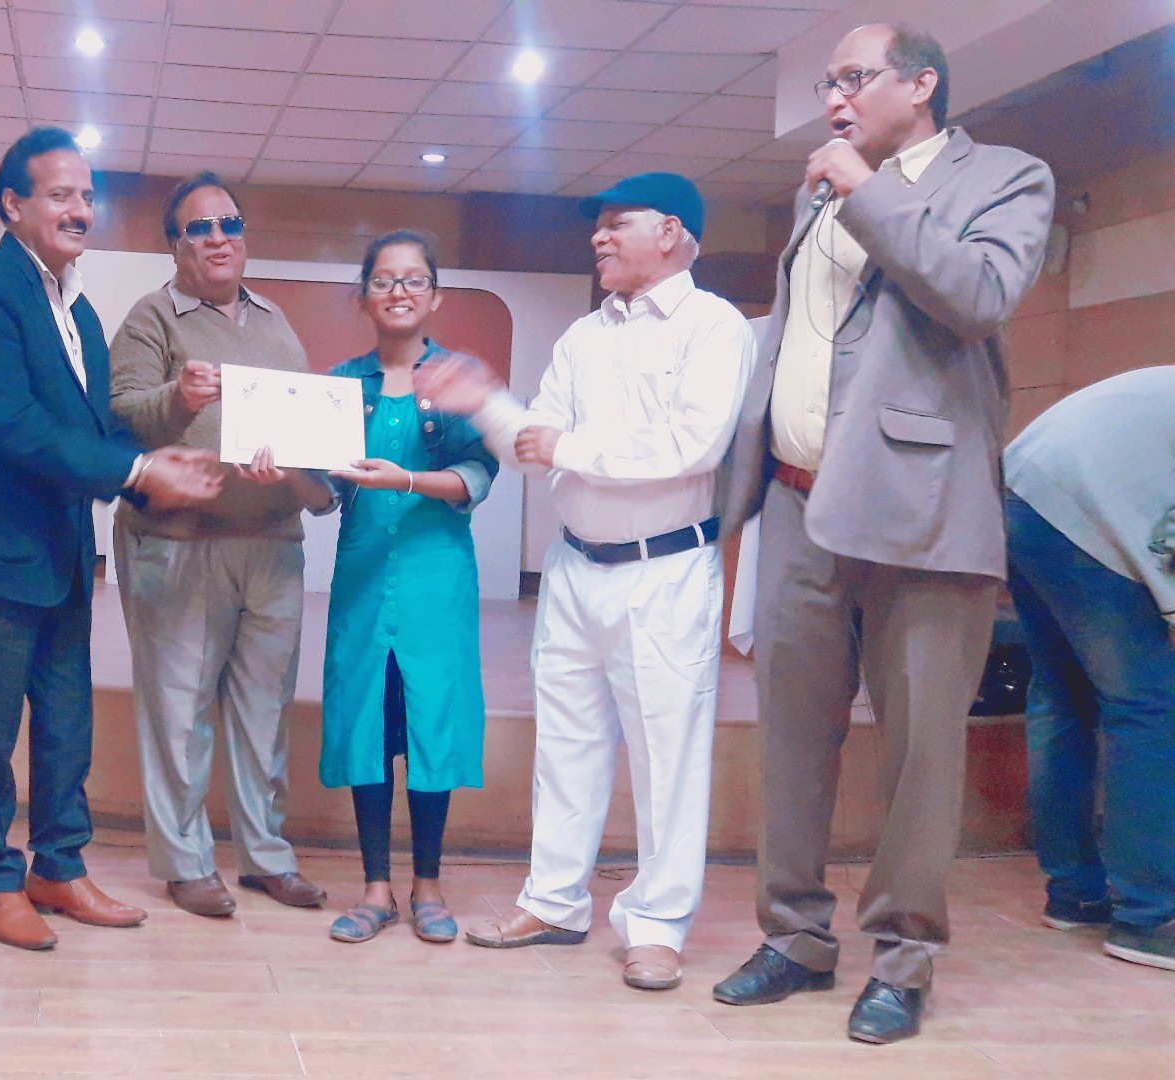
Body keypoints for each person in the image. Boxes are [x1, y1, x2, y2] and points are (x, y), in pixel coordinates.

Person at [707, 23, 1055, 1044]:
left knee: (919, 754)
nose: (833, 99)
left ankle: (903, 959)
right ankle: (794, 938)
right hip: (797, 501)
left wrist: (868, 190)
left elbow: (977, 296)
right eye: (827, 81)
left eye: (854, 78)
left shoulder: (1005, 177)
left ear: (922, 82)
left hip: (923, 509)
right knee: (792, 741)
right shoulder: (818, 192)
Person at [419, 174, 753, 990]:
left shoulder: (714, 327)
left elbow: (694, 444)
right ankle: (554, 902)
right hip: (574, 568)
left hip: (665, 568)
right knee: (565, 748)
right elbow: (535, 441)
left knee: (668, 758)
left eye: (615, 223)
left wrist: (568, 446)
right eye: (595, 226)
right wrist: (489, 404)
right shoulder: (582, 336)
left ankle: (658, 926)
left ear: (670, 231)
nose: (598, 238)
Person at [0, 128, 222, 950]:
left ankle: (58, 868)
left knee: (66, 723)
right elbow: (16, 427)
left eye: (88, 197)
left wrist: (153, 456)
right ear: (12, 204)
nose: (80, 211)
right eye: (60, 195)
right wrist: (138, 471)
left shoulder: (82, 310)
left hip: (65, 549)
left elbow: (94, 429)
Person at [107, 173, 334, 918]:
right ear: (175, 245)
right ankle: (185, 864)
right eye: (199, 228)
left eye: (229, 224)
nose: (217, 238)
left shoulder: (274, 321)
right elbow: (122, 417)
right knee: (179, 712)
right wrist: (179, 397)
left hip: (272, 543)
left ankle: (266, 857)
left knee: (265, 712)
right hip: (178, 544)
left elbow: (305, 425)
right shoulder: (151, 318)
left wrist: (302, 467)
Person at [317, 231, 498, 944]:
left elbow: (478, 476)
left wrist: (409, 480)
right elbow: (323, 494)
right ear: (362, 296)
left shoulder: (456, 378)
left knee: (430, 722)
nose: (398, 291)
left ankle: (428, 884)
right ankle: (375, 888)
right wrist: (283, 471)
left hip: (435, 580)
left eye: (413, 279)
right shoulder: (340, 386)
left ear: (435, 296)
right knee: (367, 722)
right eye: (384, 280)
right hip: (363, 579)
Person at [1003, 366, 1175, 972]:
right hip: (1082, 508)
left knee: (1063, 699)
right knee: (1148, 707)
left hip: (1019, 492)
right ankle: (1149, 917)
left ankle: (1075, 893)